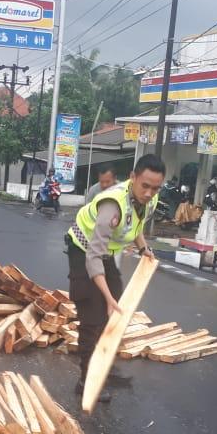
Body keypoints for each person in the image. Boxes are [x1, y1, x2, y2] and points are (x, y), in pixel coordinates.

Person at [66, 153, 164, 403]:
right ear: (133, 178)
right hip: (84, 248)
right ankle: (86, 381)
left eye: (155, 188)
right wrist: (107, 297)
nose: (150, 192)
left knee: (116, 308)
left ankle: (103, 360)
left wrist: (143, 249)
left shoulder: (149, 200)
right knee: (93, 313)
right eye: (145, 186)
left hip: (106, 252)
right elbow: (92, 258)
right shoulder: (112, 205)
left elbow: (136, 226)